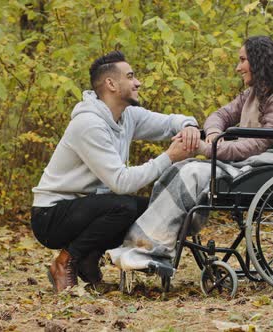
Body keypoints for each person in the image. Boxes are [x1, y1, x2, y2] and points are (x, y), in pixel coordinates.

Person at [109, 35, 273, 271]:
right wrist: (214, 135)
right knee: (177, 169)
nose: (238, 67)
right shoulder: (251, 94)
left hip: (269, 167)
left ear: (259, 61)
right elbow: (219, 116)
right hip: (248, 164)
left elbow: (258, 144)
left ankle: (150, 250)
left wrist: (206, 148)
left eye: (243, 60)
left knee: (192, 171)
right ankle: (146, 246)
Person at [31, 50, 201, 293]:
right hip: (51, 215)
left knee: (155, 208)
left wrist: (189, 126)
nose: (138, 82)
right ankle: (66, 261)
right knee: (125, 206)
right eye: (130, 76)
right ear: (111, 83)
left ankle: (89, 257)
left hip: (86, 207)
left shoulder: (127, 115)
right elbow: (120, 183)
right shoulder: (89, 124)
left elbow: (168, 123)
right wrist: (170, 157)